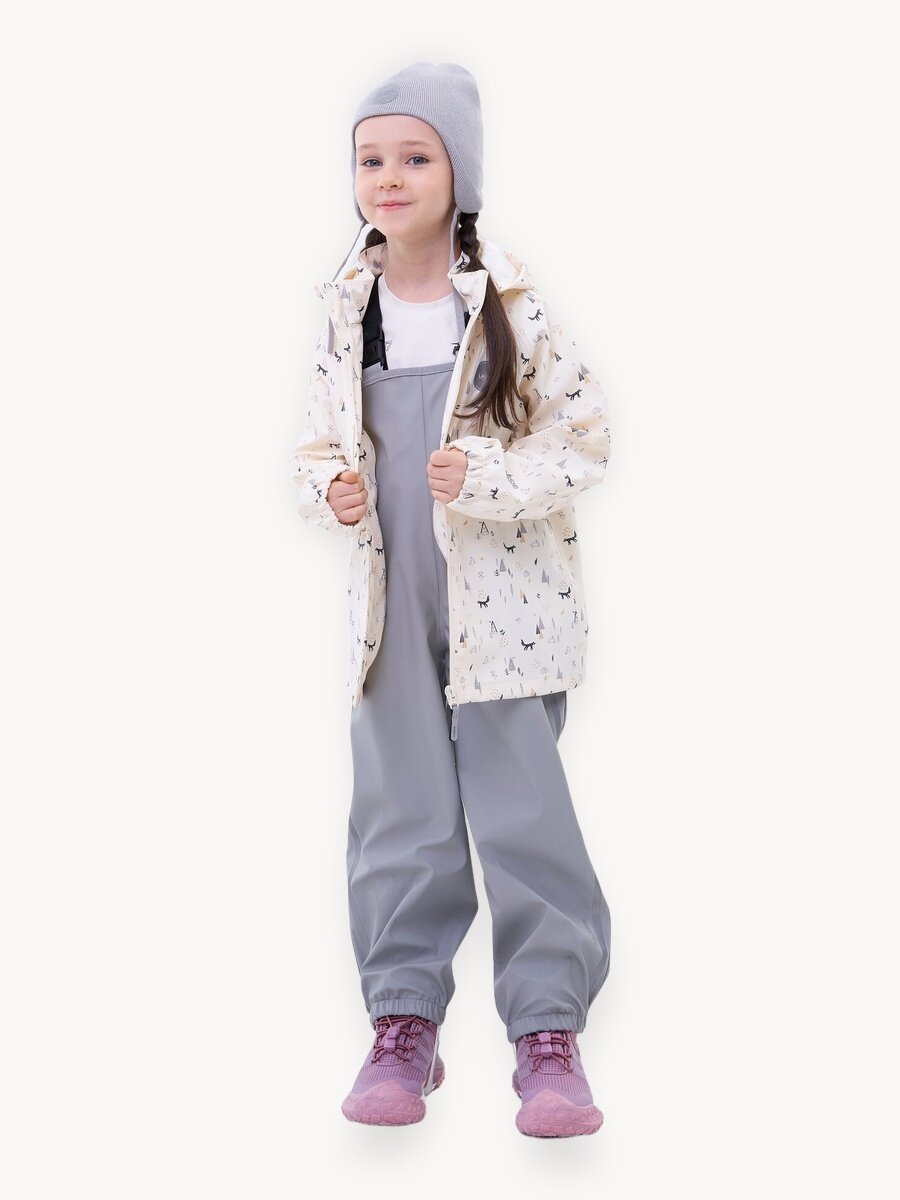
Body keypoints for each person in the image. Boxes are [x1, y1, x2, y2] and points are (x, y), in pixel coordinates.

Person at [289, 61, 613, 1139]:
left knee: (523, 812)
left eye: (414, 157)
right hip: (390, 609)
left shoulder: (510, 307)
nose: (388, 177)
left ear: (458, 174)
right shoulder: (348, 312)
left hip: (505, 612)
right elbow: (316, 449)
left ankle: (547, 1032)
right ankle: (402, 1020)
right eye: (369, 159)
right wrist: (331, 491)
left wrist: (486, 476)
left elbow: (585, 440)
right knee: (401, 811)